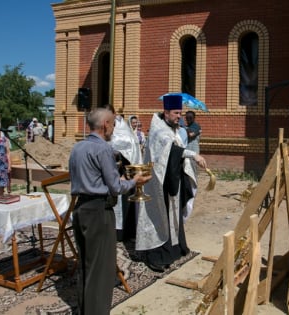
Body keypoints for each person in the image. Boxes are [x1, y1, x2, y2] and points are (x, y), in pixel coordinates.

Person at [69, 106, 151, 315]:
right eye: (113, 124)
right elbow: (115, 187)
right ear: (105, 124)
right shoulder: (103, 149)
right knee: (101, 269)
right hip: (99, 211)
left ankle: (84, 309)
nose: (114, 128)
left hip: (80, 209)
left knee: (86, 264)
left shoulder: (77, 147)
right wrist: (134, 180)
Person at [138, 94, 207, 272]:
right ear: (166, 112)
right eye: (176, 113)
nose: (179, 116)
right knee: (160, 218)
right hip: (157, 184)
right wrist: (194, 155)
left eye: (180, 113)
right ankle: (157, 255)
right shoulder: (158, 130)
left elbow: (175, 152)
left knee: (173, 216)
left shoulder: (173, 129)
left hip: (172, 179)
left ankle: (176, 248)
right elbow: (172, 151)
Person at [110, 114, 142, 241]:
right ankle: (122, 232)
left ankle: (123, 233)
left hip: (124, 177)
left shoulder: (122, 138)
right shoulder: (128, 136)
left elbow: (125, 159)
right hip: (121, 177)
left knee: (123, 205)